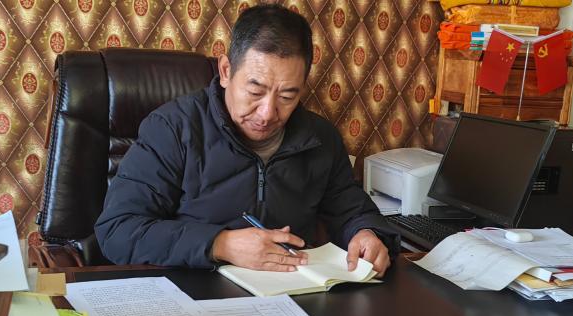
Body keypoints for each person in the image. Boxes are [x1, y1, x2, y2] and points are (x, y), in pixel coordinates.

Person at [95, 4, 398, 275]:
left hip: (292, 297)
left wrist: (367, 234)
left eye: (287, 96)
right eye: (255, 91)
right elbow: (118, 231)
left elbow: (353, 211)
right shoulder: (173, 129)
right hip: (194, 297)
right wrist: (220, 244)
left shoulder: (320, 139)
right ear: (226, 71)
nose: (267, 113)